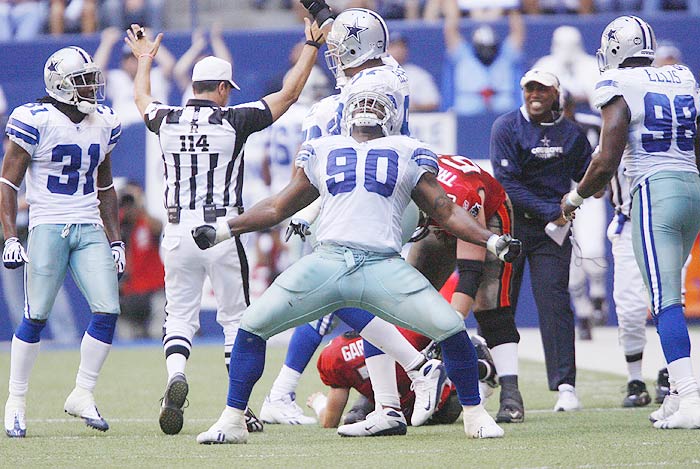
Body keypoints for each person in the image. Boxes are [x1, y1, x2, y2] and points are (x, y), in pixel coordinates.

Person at [190, 77, 521, 445]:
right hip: (329, 260)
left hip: (381, 264)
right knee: (252, 326)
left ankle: (474, 415)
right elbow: (278, 206)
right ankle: (233, 419)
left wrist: (491, 240)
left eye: (375, 104)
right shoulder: (322, 148)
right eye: (361, 103)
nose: (366, 109)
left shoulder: (408, 150)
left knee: (450, 327)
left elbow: (445, 210)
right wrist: (223, 230)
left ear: (392, 115)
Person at [124, 19, 326, 436]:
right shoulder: (233, 119)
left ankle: (176, 375)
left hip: (177, 231)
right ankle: (241, 406)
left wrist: (144, 59)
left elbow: (141, 97)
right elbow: (289, 94)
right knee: (237, 321)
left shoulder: (165, 118)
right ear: (220, 88)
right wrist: (310, 46)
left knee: (179, 316)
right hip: (221, 229)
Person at [562, 15, 700, 429]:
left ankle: (690, 397)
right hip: (691, 186)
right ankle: (675, 396)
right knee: (669, 293)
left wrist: (575, 197)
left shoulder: (617, 82)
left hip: (654, 191)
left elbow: (606, 160)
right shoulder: (682, 76)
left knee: (664, 300)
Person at [2, 46, 125, 437]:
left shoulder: (103, 121)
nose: (92, 88)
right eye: (83, 81)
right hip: (48, 225)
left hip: (88, 225)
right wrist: (10, 237)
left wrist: (116, 240)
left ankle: (82, 393)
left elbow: (105, 186)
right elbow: (7, 183)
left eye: (91, 79)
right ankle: (16, 402)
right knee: (35, 316)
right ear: (60, 85)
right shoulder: (35, 119)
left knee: (107, 309)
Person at [491, 68, 592, 412]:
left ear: (555, 94)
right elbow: (507, 184)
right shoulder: (507, 126)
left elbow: (588, 176)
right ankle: (493, 379)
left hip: (553, 233)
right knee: (500, 305)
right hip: (512, 226)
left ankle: (566, 386)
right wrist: (555, 209)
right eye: (529, 88)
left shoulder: (572, 133)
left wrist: (581, 195)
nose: (534, 94)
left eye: (542, 89)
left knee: (555, 303)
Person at [406, 154, 523, 423]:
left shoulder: (463, 199)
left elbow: (470, 274)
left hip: (487, 215)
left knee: (489, 302)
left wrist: (449, 331)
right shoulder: (401, 189)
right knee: (408, 294)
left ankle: (510, 392)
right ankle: (381, 395)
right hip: (437, 213)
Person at [307, 328, 463, 429]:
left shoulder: (335, 354)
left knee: (354, 418)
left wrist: (318, 403)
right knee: (464, 351)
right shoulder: (405, 327)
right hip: (442, 408)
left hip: (391, 411)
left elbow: (330, 421)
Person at [442, 1, 524, 116]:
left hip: (503, 110)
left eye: (490, 47)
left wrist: (511, 6)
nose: (486, 51)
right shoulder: (464, 55)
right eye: (482, 47)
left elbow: (518, 31)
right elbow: (450, 31)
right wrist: (454, 9)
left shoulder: (505, 56)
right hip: (467, 110)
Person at [93, 26, 175, 127]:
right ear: (123, 62)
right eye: (127, 59)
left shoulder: (156, 75)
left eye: (135, 58)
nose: (131, 62)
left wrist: (150, 42)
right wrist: (106, 44)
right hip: (126, 131)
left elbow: (169, 65)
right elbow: (97, 73)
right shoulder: (117, 78)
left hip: (154, 131)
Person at [117, 181, 165, 339]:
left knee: (158, 333)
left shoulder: (146, 222)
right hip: (128, 294)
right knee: (126, 338)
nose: (129, 207)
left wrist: (139, 205)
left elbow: (158, 227)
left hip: (154, 290)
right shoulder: (117, 226)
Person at [387, 33, 440, 112]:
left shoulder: (418, 74)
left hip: (413, 117)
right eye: (393, 47)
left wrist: (414, 106)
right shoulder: (377, 73)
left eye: (401, 47)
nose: (397, 51)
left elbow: (433, 102)